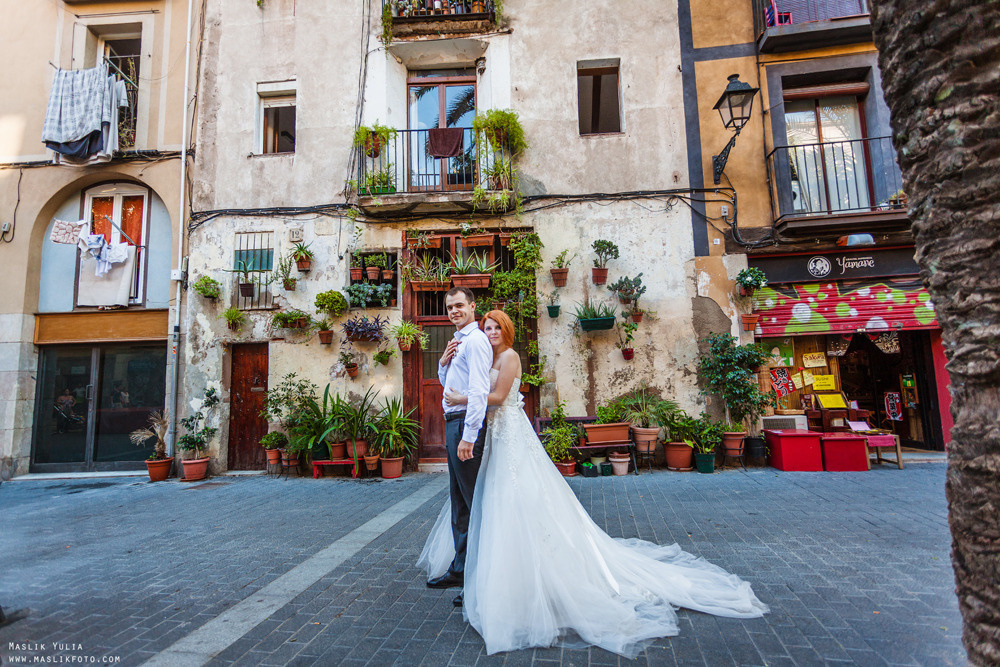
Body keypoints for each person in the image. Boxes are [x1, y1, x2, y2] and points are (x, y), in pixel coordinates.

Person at [418, 311, 768, 658]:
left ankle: (525, 574)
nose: (491, 332)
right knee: (495, 501)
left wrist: (461, 399)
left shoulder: (509, 357)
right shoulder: (487, 354)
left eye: (497, 327)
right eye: (487, 328)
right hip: (494, 438)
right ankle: (496, 573)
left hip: (510, 435)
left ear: (507, 330)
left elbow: (495, 398)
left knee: (519, 498)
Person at [424, 287, 493, 607]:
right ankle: (461, 568)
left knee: (473, 503)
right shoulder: (459, 342)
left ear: (472, 307)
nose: (454, 310)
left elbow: (479, 391)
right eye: (450, 307)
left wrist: (469, 436)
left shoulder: (476, 340)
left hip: (464, 423)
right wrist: (442, 361)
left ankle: (479, 579)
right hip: (453, 421)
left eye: (459, 305)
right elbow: (449, 382)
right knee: (459, 504)